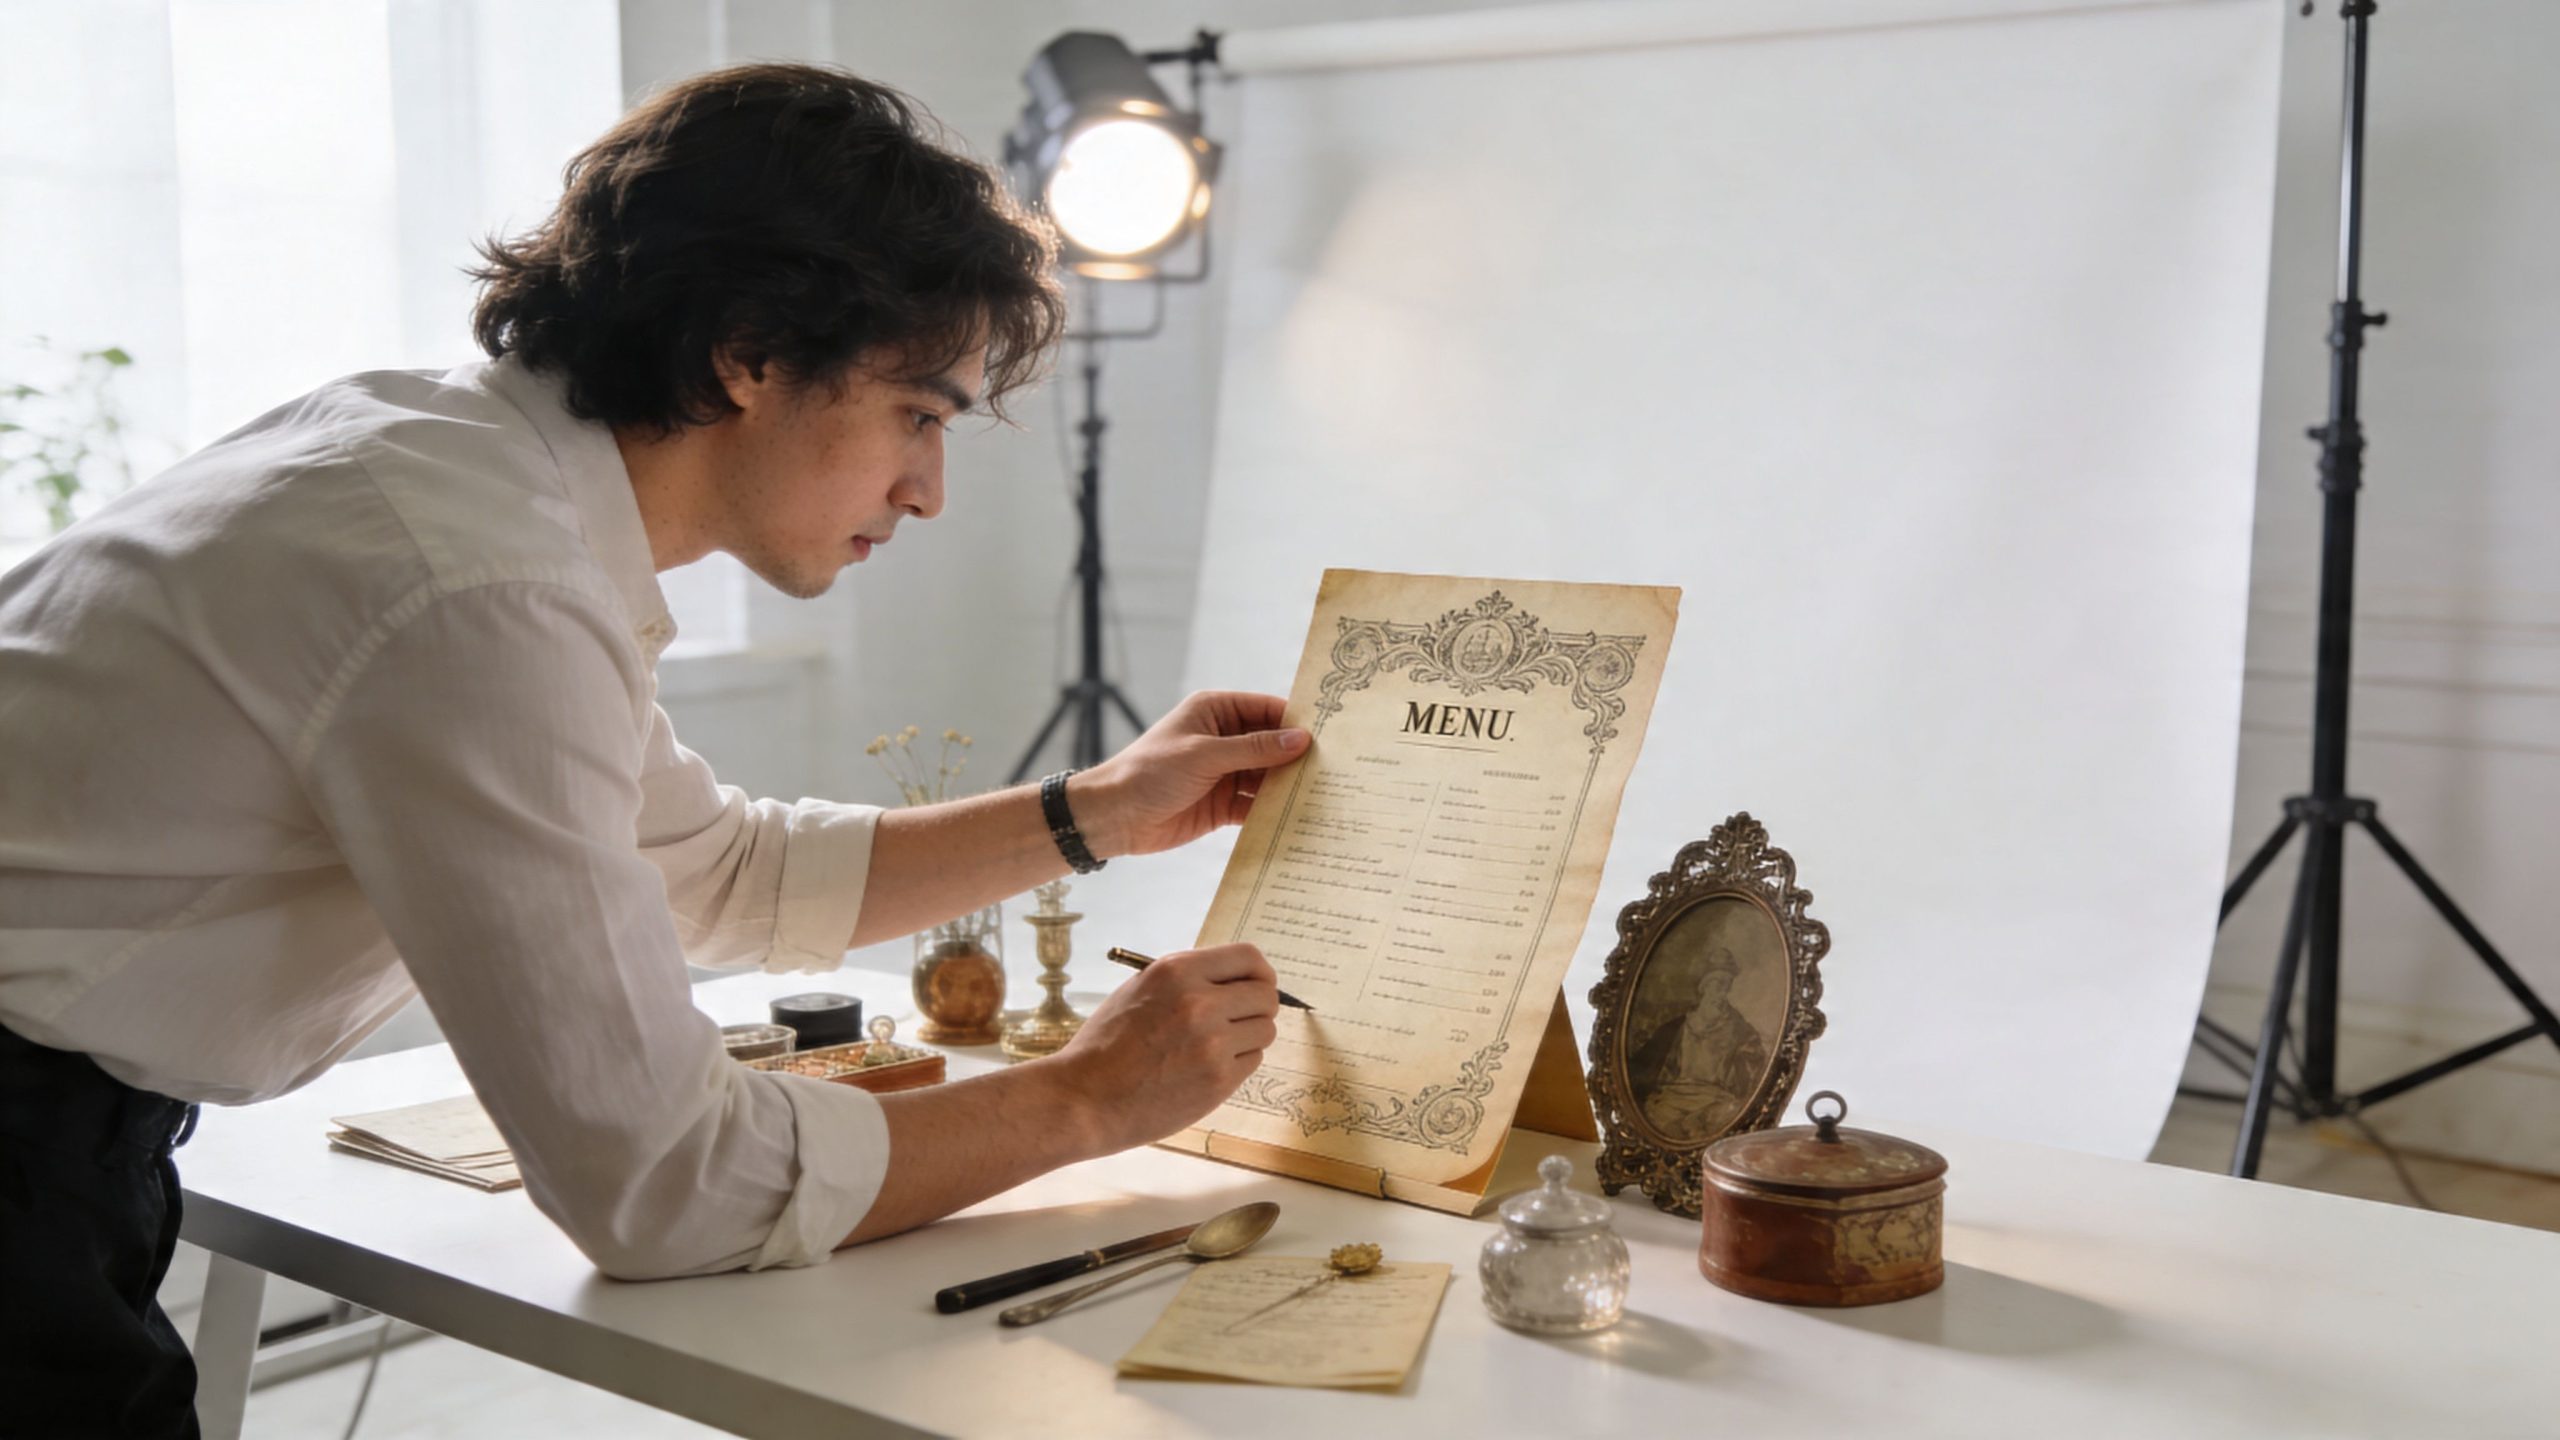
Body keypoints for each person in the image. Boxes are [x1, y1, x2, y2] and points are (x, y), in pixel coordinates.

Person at [0, 64, 1301, 1436]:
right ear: (746, 351)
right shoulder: (479, 583)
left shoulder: (456, 470)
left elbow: (721, 871)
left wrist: (1096, 808)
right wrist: (1091, 1098)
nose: (928, 489)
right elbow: (665, 1189)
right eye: (919, 413)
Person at [1633, 946, 1770, 1142]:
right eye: (1717, 985)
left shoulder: (1740, 1030)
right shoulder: (1677, 1026)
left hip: (1715, 1100)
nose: (1721, 993)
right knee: (1660, 1119)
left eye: (1726, 986)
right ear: (1704, 987)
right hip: (1673, 1097)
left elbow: (1754, 1071)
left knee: (1727, 1115)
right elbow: (1646, 1064)